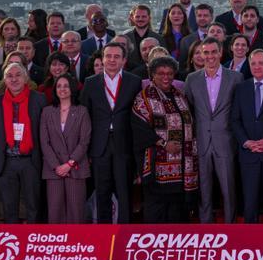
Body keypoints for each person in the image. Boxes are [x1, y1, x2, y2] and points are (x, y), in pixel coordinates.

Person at [81, 42, 142, 223]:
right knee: (102, 192)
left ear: (124, 60)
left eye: (117, 57)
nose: (112, 60)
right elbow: (85, 117)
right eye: (108, 56)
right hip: (99, 146)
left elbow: (138, 118)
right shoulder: (91, 83)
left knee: (124, 193)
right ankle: (104, 235)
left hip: (124, 144)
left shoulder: (134, 82)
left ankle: (125, 234)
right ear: (102, 59)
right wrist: (87, 149)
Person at [130, 56, 196, 223]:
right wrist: (164, 144)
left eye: (170, 73)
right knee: (157, 212)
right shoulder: (144, 98)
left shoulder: (180, 95)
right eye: (161, 73)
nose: (166, 77)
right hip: (157, 169)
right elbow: (139, 129)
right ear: (152, 75)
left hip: (181, 169)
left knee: (177, 213)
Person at [185, 37, 241, 223]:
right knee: (204, 191)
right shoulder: (192, 79)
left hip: (225, 142)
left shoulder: (235, 77)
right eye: (205, 52)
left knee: (229, 191)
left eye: (213, 52)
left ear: (220, 52)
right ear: (200, 54)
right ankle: (206, 230)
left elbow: (238, 110)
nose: (209, 56)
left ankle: (230, 230)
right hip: (201, 142)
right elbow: (190, 109)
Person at [231, 49, 263, 224]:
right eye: (253, 63)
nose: (257, 67)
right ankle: (250, 241)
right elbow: (235, 120)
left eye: (261, 63)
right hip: (248, 154)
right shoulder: (241, 88)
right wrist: (246, 142)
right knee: (250, 202)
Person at [0, 62, 44, 223]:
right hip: (6, 161)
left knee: (33, 206)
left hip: (30, 160)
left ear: (26, 77)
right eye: (9, 76)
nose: (14, 79)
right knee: (9, 208)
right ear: (4, 80)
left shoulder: (39, 99)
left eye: (18, 75)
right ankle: (13, 244)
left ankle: (33, 243)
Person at [40, 73, 91, 223]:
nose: (62, 89)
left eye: (66, 86)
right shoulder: (47, 112)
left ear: (72, 89)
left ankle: (76, 245)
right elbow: (44, 142)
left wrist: (69, 164)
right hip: (53, 169)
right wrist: (57, 166)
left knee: (76, 212)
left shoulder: (82, 111)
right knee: (55, 213)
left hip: (76, 169)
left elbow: (84, 141)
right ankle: (57, 245)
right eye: (59, 86)